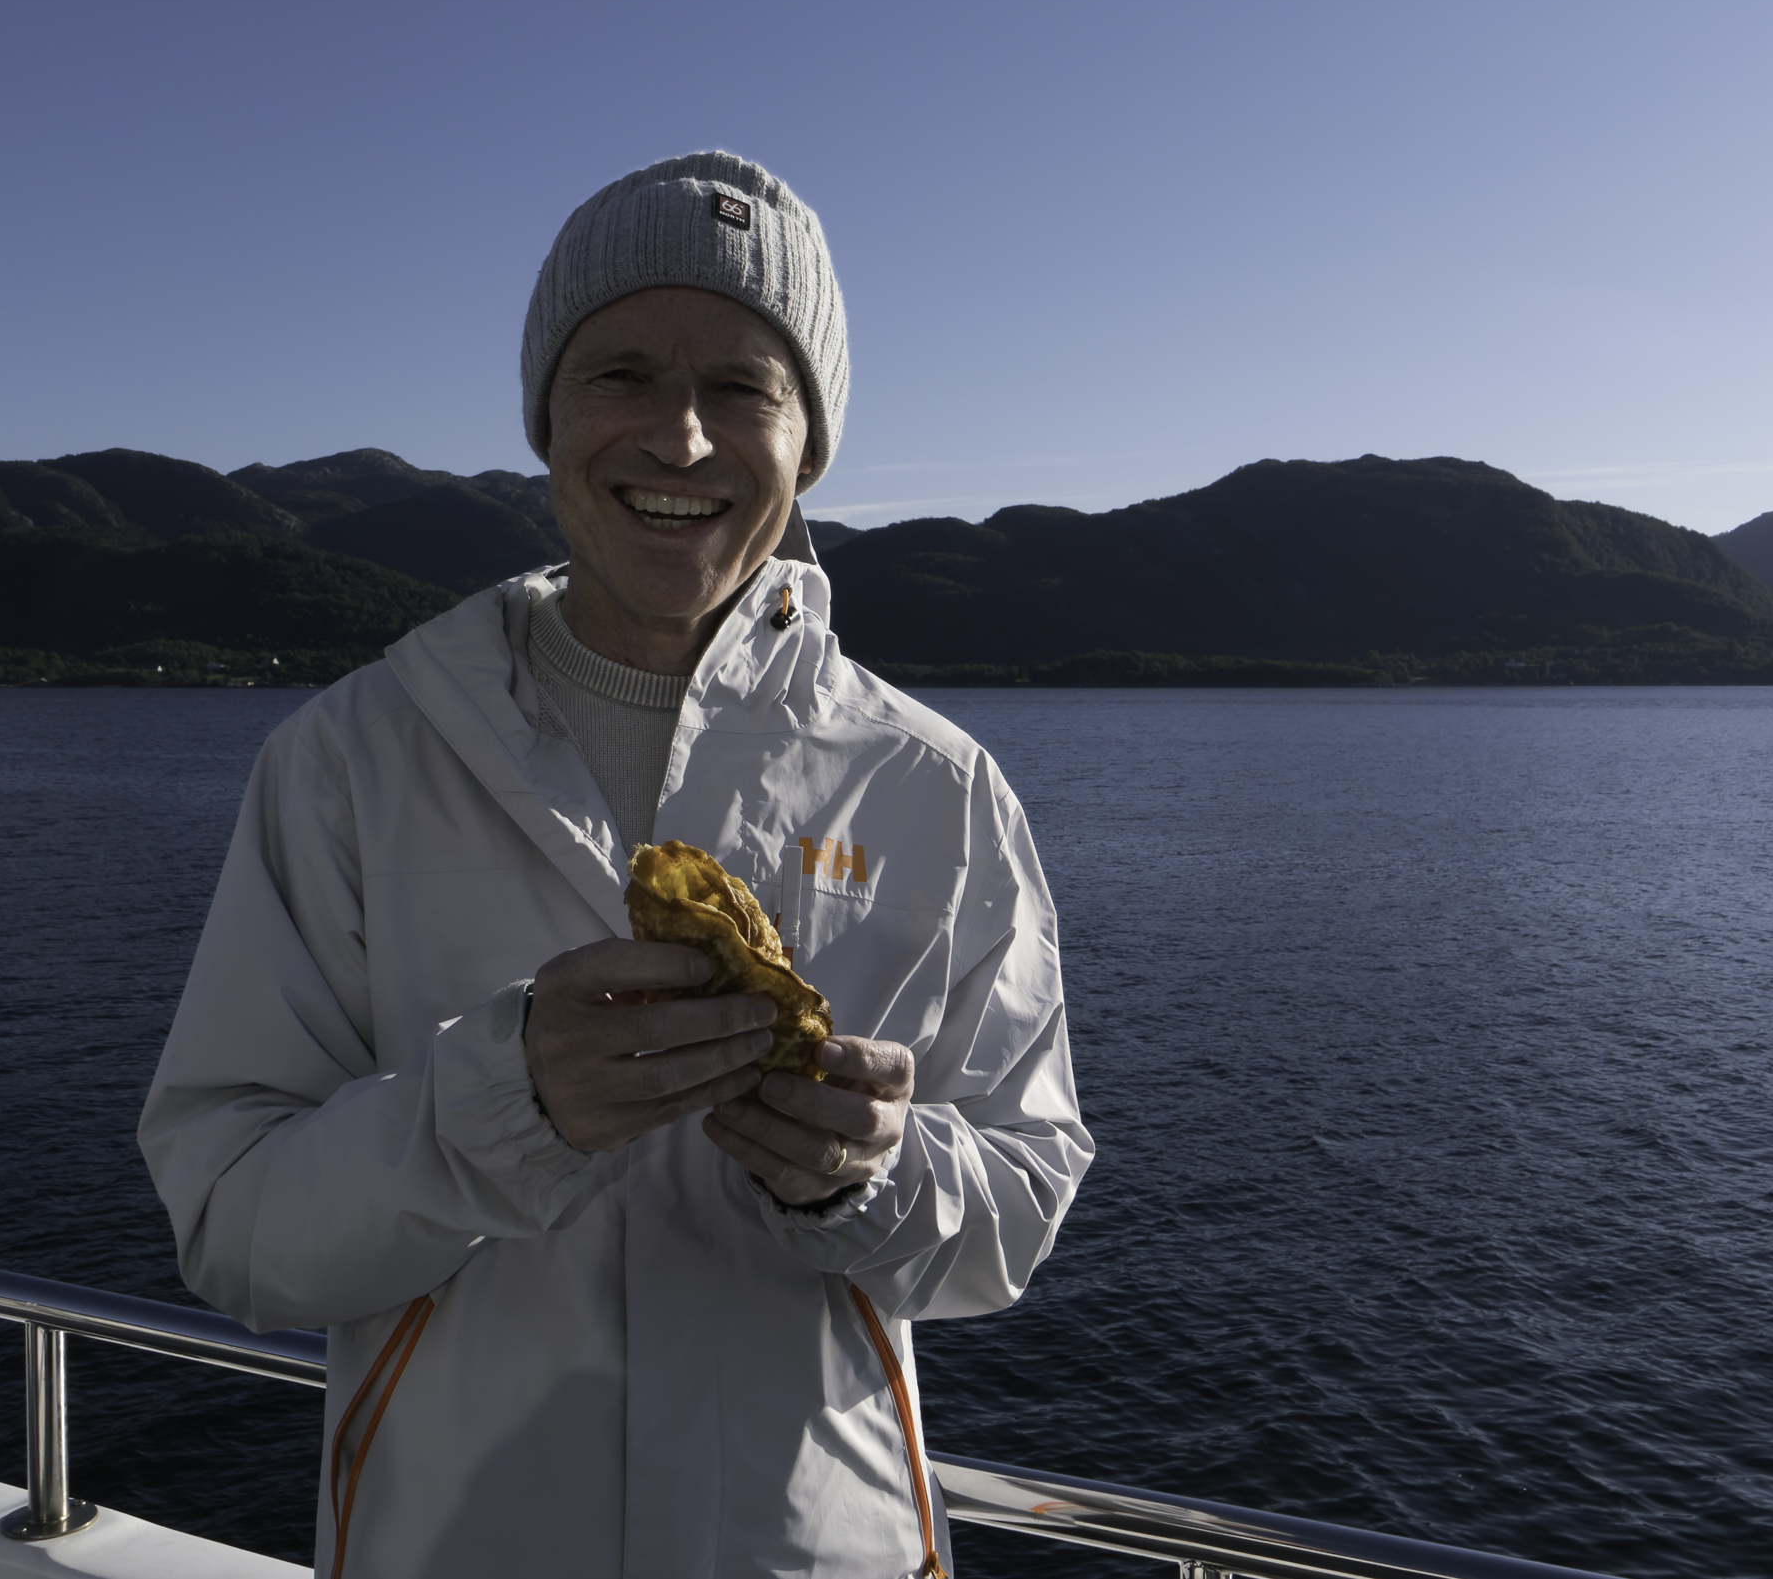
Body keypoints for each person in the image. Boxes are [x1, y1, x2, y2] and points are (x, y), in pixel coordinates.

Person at [139, 151, 1093, 1579]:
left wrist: (877, 1174)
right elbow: (231, 1222)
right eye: (623, 374)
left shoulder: (934, 791)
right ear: (546, 416)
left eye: (743, 387)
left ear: (810, 442)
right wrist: (497, 1111)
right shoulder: (350, 762)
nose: (682, 437)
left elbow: (1019, 1209)